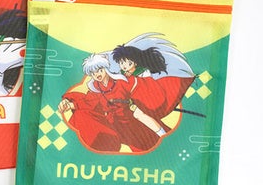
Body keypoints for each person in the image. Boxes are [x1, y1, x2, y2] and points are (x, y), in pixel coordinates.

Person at [59, 53, 194, 153]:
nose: (97, 74)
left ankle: (165, 136)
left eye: (99, 70)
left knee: (143, 120)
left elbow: (141, 86)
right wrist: (70, 104)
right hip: (116, 124)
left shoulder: (121, 82)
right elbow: (87, 103)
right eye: (93, 73)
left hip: (132, 118)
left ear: (105, 69)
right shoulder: (96, 89)